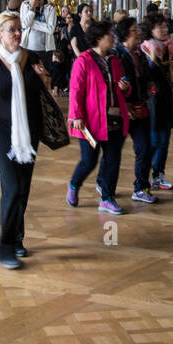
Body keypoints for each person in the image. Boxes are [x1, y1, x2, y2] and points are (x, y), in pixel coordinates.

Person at [0, 11, 48, 269]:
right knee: (12, 187)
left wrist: (43, 77)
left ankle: (18, 237)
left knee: (24, 188)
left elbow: (45, 90)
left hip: (29, 130)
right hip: (1, 131)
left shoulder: (31, 58)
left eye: (19, 29)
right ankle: (5, 246)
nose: (17, 34)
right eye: (11, 30)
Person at [65, 20, 131, 215]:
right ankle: (75, 184)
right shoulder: (83, 61)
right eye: (109, 35)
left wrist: (126, 89)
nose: (113, 38)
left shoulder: (115, 60)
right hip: (91, 122)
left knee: (113, 160)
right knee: (89, 161)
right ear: (99, 39)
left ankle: (107, 198)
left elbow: (122, 87)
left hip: (115, 119)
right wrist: (76, 115)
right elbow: (75, 91)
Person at [115, 19, 157, 204]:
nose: (138, 34)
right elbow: (113, 85)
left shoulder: (139, 54)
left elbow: (146, 75)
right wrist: (124, 105)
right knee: (113, 152)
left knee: (144, 148)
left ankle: (141, 187)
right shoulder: (116, 55)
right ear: (124, 35)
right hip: (123, 110)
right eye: (134, 31)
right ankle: (103, 183)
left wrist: (150, 83)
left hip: (140, 108)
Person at [143, 13, 173, 190]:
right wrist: (152, 56)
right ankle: (144, 175)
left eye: (165, 26)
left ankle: (159, 173)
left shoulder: (168, 46)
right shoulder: (146, 47)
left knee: (165, 138)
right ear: (151, 30)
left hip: (166, 95)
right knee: (154, 139)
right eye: (160, 27)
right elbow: (147, 73)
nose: (164, 29)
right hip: (153, 99)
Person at [19, 0, 58, 76]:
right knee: (28, 76)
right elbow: (24, 25)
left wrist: (31, 24)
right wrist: (32, 8)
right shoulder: (25, 5)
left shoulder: (50, 7)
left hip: (45, 49)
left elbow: (51, 29)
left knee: (46, 75)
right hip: (28, 47)